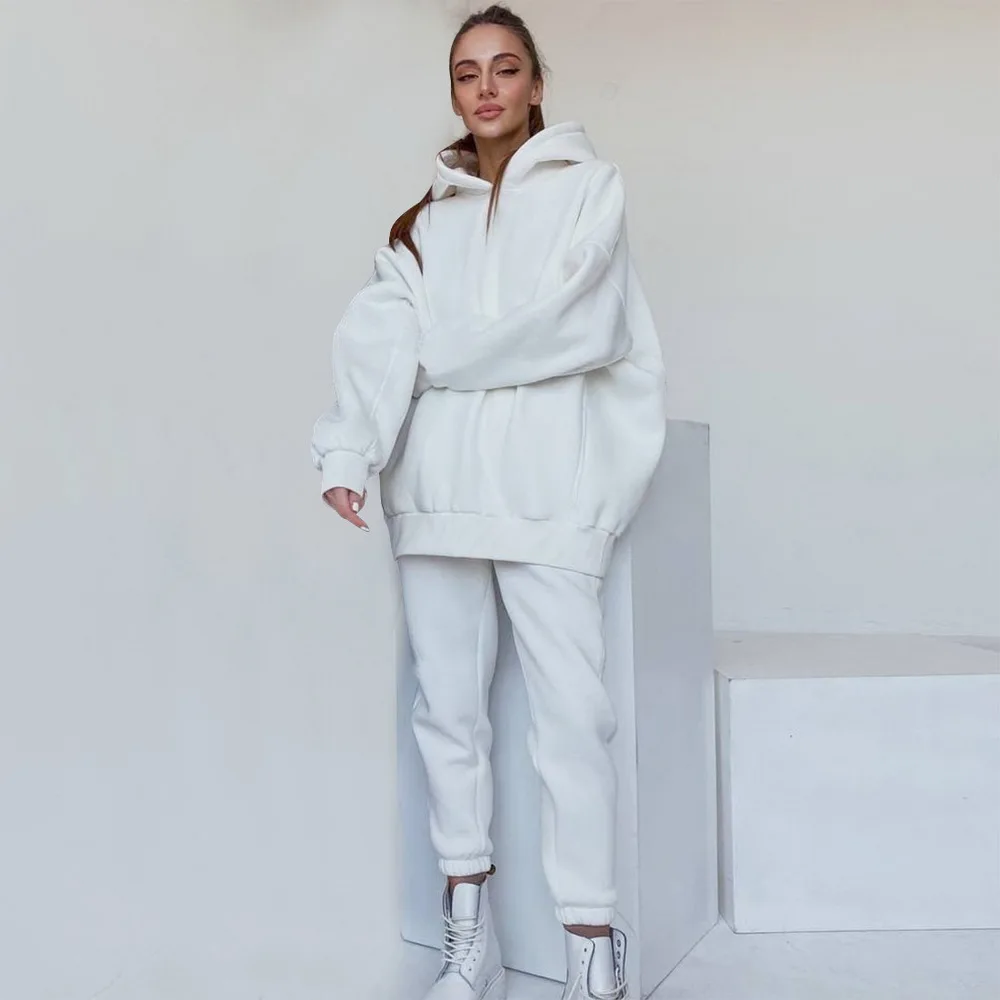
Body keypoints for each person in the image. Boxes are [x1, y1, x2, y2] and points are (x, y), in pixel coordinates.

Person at [310, 6, 666, 999]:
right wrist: (348, 449)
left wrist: (443, 356)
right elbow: (380, 341)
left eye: (505, 68)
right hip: (436, 493)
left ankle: (592, 949)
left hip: (551, 492)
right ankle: (472, 941)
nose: (486, 88)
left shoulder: (590, 190)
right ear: (455, 91)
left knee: (573, 720)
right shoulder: (421, 223)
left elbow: (582, 326)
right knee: (448, 716)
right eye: (468, 73)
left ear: (537, 84)